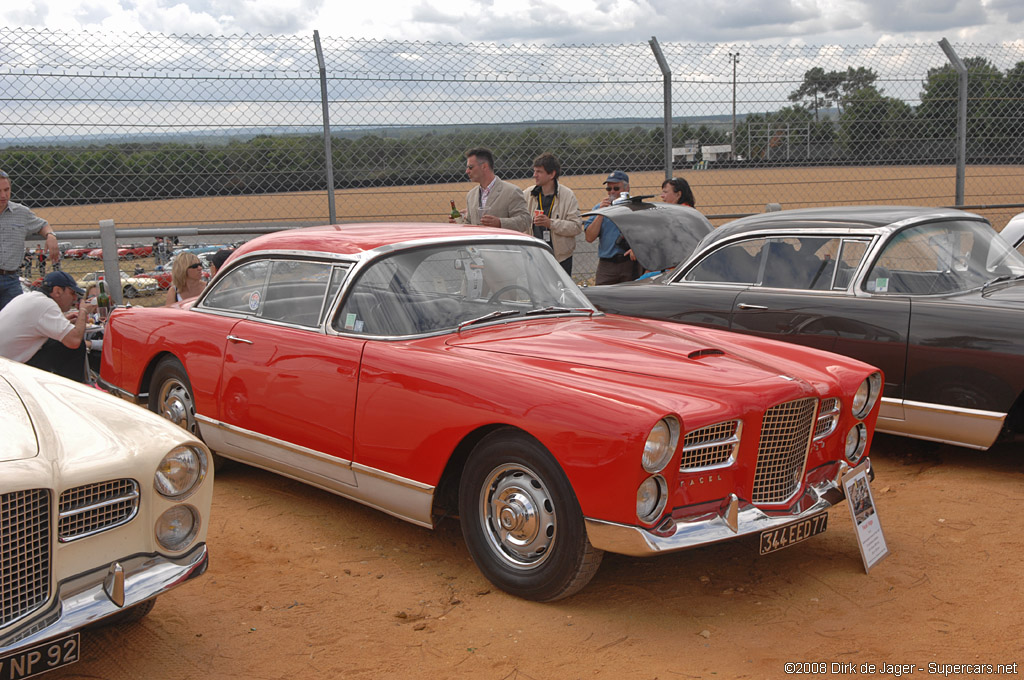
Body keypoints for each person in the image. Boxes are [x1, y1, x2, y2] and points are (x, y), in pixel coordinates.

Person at [0, 270, 96, 382]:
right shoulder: (46, 304)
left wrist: (65, 321)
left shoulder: (31, 298)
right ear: (57, 291)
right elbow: (74, 341)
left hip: (6, 362)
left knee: (58, 341)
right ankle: (72, 391)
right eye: (72, 293)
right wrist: (83, 311)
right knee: (72, 347)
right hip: (7, 371)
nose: (75, 298)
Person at [0, 169, 60, 310]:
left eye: (6, 190)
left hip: (11, 280)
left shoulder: (21, 212)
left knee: (15, 325)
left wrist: (51, 235)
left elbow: (43, 225)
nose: (3, 195)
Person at [523, 153, 583, 275]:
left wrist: (550, 223)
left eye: (539, 172)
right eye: (534, 171)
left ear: (552, 174)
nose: (534, 175)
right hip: (534, 257)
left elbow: (576, 227)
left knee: (561, 292)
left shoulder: (567, 195)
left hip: (560, 258)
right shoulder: (527, 194)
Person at [451, 148, 529, 233]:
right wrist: (459, 224)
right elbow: (470, 223)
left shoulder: (512, 191)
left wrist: (500, 223)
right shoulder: (471, 195)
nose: (467, 171)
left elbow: (525, 221)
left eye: (470, 167)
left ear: (484, 166)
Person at [584, 170, 638, 285]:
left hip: (630, 262)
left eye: (616, 188)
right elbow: (589, 237)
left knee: (632, 299)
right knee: (601, 300)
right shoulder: (599, 208)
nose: (612, 192)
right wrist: (601, 213)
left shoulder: (636, 206)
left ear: (626, 188)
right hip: (607, 264)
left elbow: (647, 233)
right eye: (609, 189)